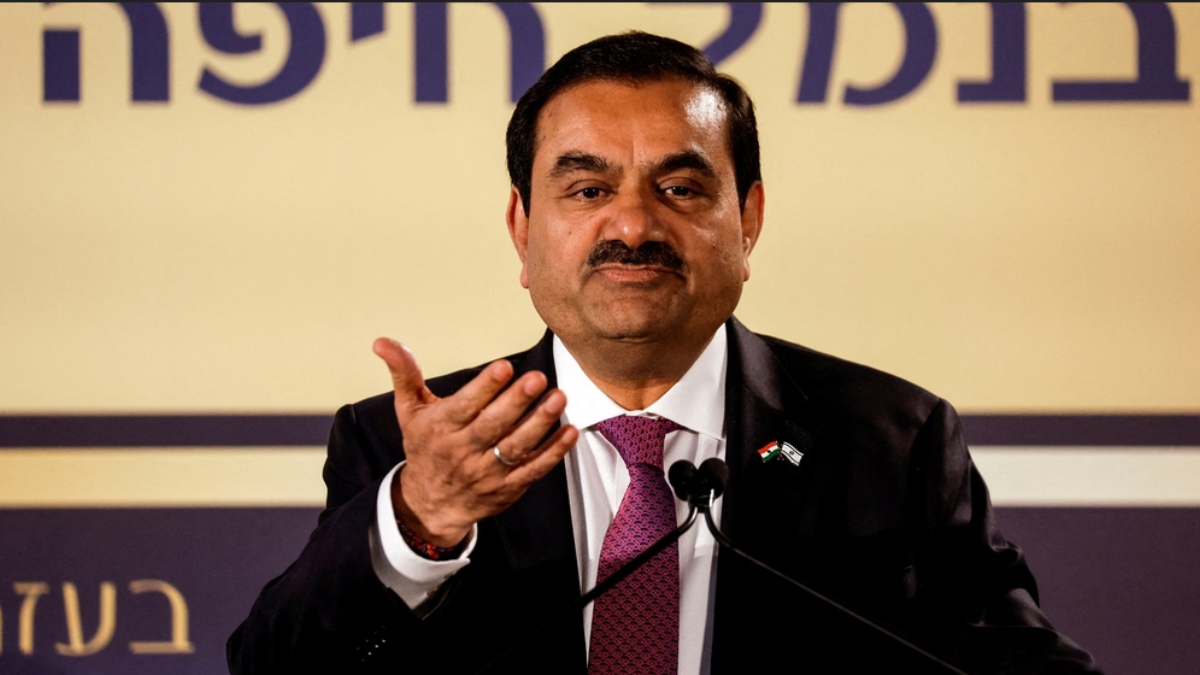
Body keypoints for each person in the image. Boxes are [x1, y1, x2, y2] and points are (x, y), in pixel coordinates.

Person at [228, 32, 1100, 674]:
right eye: (587, 189)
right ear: (523, 229)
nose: (635, 224)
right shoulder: (410, 447)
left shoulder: (889, 439)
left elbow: (1013, 662)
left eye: (680, 188)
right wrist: (419, 518)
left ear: (748, 220)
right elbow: (278, 667)